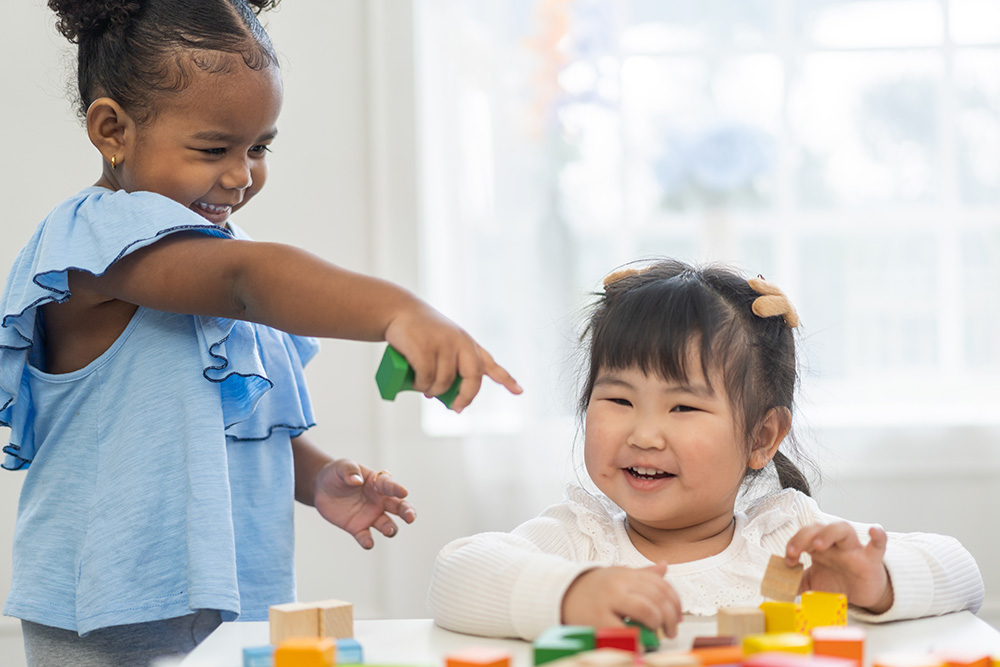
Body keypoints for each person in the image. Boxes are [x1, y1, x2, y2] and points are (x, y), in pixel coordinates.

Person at [0, 0, 522, 664]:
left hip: (233, 609)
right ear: (112, 131)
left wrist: (318, 475)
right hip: (108, 614)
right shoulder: (92, 240)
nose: (242, 175)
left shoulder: (221, 254)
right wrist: (399, 310)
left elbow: (227, 422)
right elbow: (246, 280)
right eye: (214, 148)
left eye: (260, 147)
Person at [427, 259, 983, 641]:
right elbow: (455, 576)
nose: (644, 434)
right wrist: (570, 593)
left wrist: (873, 581)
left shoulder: (788, 544)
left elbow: (963, 573)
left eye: (683, 408)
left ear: (762, 437)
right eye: (618, 399)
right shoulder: (579, 542)